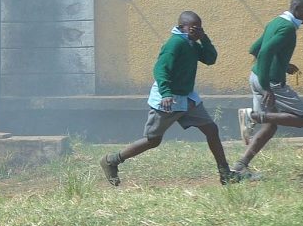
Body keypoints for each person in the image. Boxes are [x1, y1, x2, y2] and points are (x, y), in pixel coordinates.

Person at [99, 11, 236, 186]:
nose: (197, 31)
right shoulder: (175, 43)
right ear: (182, 27)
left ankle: (225, 173)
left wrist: (204, 38)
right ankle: (112, 160)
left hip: (187, 98)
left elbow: (210, 59)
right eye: (194, 28)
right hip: (168, 100)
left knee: (211, 129)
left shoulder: (191, 43)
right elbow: (160, 69)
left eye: (200, 28)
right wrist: (166, 93)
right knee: (152, 140)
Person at [234, 0, 303, 177]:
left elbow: (255, 49)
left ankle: (240, 165)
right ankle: (252, 116)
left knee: (270, 125)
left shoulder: (275, 22)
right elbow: (264, 53)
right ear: (298, 8)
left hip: (256, 76)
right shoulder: (287, 28)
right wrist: (267, 86)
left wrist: (284, 65)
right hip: (269, 82)